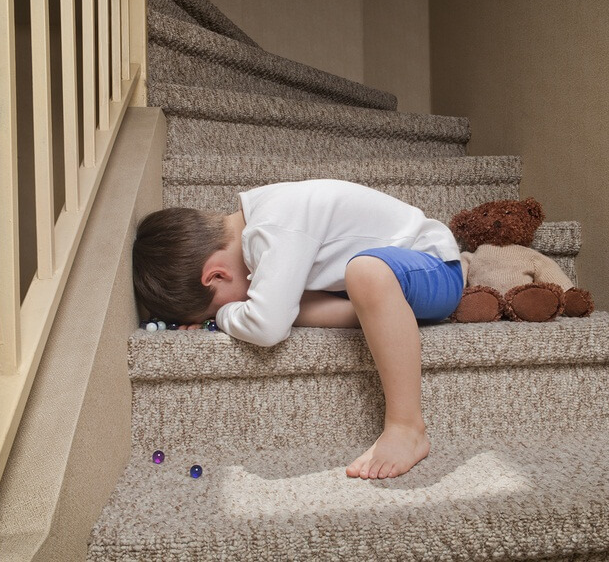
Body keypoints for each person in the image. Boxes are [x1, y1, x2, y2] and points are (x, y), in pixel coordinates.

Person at [132, 179, 463, 480]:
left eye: (216, 304)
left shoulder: (274, 226)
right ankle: (384, 314)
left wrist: (223, 316)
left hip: (434, 267)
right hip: (385, 282)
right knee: (295, 298)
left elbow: (267, 327)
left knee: (363, 274)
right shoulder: (260, 221)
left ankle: (407, 427)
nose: (227, 311)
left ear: (216, 276)